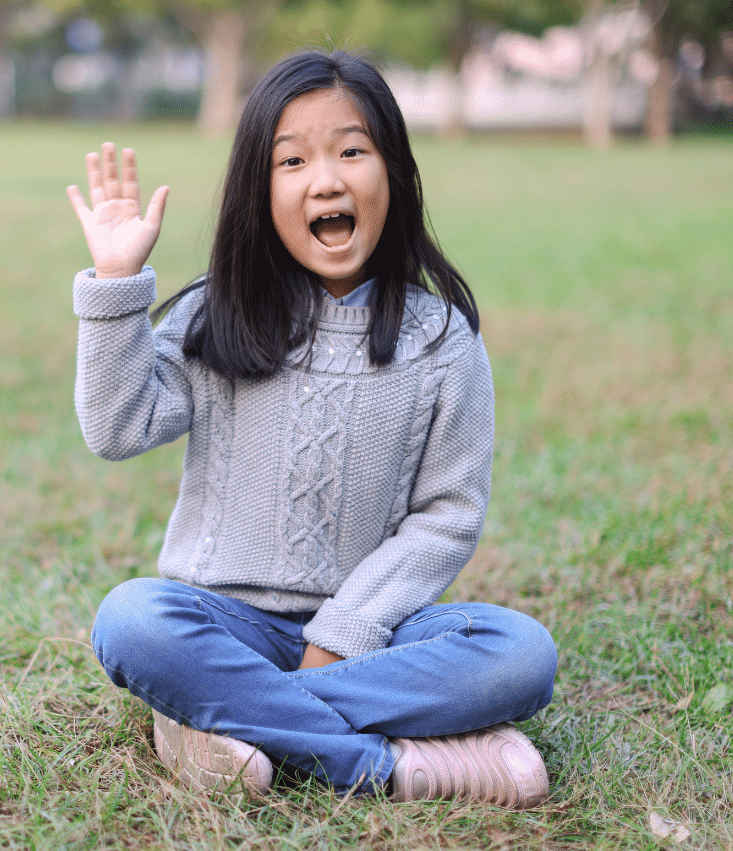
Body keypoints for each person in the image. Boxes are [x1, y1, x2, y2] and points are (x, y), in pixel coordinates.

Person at [65, 49, 558, 808]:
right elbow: (118, 426)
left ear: (392, 170)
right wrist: (115, 288)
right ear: (259, 194)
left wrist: (343, 633)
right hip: (222, 621)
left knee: (520, 654)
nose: (326, 179)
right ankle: (388, 766)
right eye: (291, 160)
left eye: (351, 150)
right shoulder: (217, 312)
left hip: (375, 636)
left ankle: (220, 720)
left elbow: (447, 514)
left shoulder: (441, 340)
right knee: (132, 619)